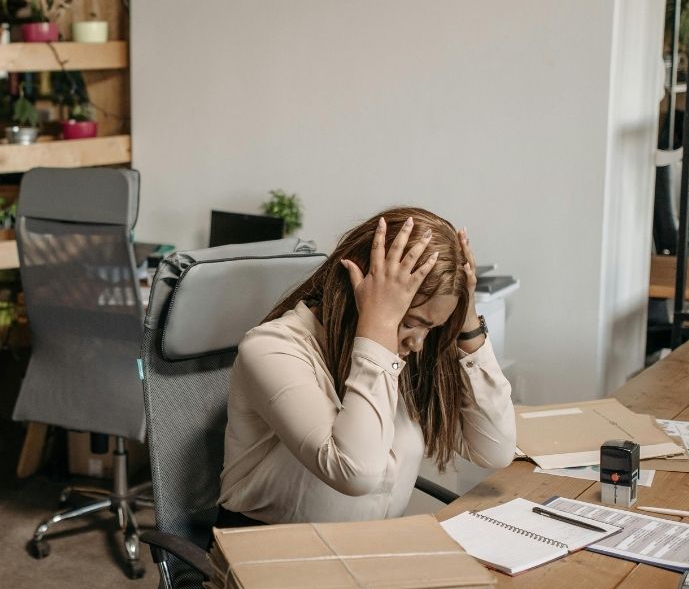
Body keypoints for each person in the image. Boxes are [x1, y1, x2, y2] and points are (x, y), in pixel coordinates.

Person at [217, 207, 516, 526]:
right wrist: (379, 325)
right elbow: (355, 472)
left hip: (367, 554)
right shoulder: (272, 348)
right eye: (413, 323)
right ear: (358, 289)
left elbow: (494, 450)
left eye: (432, 328)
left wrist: (466, 319)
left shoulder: (409, 353)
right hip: (271, 557)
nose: (418, 343)